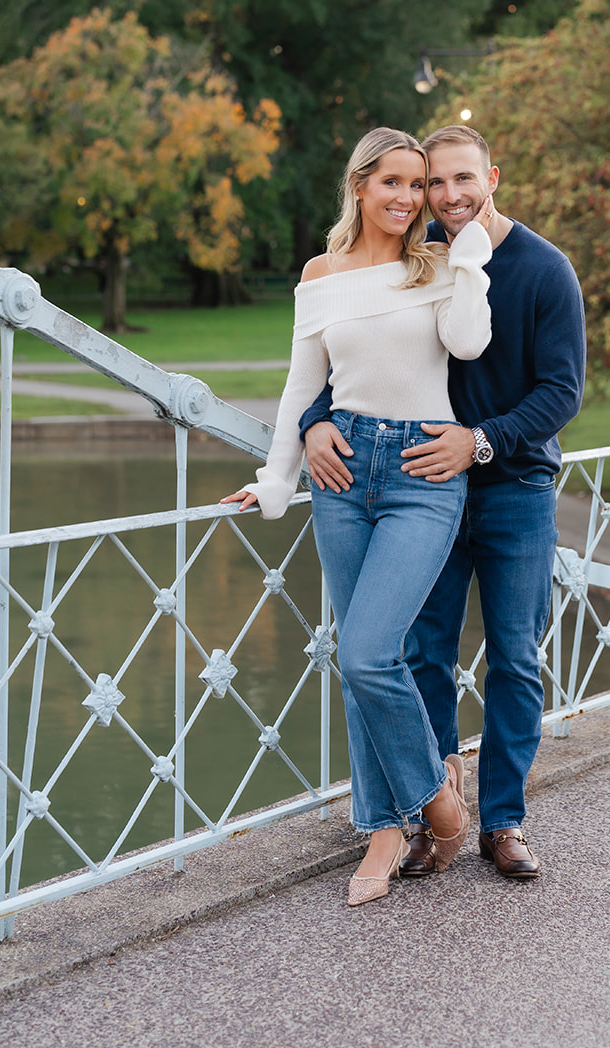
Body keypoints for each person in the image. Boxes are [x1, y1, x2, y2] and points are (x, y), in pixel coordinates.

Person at [222, 127, 498, 907]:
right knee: (357, 663)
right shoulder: (320, 274)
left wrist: (470, 252)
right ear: (359, 186)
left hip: (419, 473)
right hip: (342, 475)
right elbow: (299, 383)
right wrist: (276, 478)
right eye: (394, 184)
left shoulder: (441, 264)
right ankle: (384, 830)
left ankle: (441, 807)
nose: (410, 199)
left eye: (418, 186)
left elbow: (469, 344)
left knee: (373, 652)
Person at [302, 125, 585, 881]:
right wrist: (311, 422)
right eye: (433, 184)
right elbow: (349, 356)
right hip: (419, 489)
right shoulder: (415, 263)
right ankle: (432, 809)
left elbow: (562, 391)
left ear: (492, 176)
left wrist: (481, 442)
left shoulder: (542, 268)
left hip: (513, 487)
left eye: (462, 180)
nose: (447, 196)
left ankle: (504, 821)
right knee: (420, 654)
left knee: (515, 660)